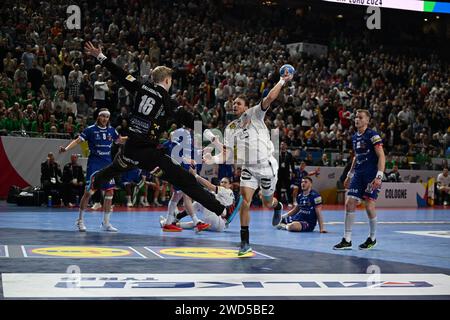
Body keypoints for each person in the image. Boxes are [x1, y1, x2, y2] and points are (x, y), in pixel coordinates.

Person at [83, 42, 240, 223]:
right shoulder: (169, 102)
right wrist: (216, 141)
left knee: (115, 168)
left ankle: (95, 182)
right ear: (167, 81)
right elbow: (193, 122)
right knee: (184, 180)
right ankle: (222, 209)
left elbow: (122, 75)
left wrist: (100, 57)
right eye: (171, 81)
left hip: (130, 150)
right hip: (149, 156)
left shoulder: (141, 88)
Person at [203, 69, 293, 256]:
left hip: (266, 165)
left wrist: (282, 82)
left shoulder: (255, 114)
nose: (234, 105)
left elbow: (268, 99)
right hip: (249, 168)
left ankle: (278, 207)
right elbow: (227, 155)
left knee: (267, 202)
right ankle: (245, 243)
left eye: (238, 103)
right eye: (233, 103)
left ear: (246, 107)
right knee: (245, 201)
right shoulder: (230, 128)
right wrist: (213, 158)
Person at [59, 108, 126, 232]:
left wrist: (136, 139)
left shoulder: (112, 131)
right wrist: (66, 149)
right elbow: (78, 141)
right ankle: (80, 221)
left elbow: (120, 140)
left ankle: (106, 223)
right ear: (98, 117)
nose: (105, 119)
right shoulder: (90, 130)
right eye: (103, 116)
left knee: (110, 192)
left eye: (107, 117)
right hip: (94, 165)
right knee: (89, 192)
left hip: (108, 165)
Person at [333, 109, 385, 250]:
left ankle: (372, 238)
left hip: (371, 175)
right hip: (358, 174)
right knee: (350, 203)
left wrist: (379, 176)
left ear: (367, 121)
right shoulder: (355, 136)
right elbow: (356, 157)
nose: (357, 119)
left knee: (369, 206)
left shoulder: (373, 135)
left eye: (360, 117)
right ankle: (347, 239)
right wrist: (349, 175)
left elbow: (381, 156)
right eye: (356, 117)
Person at [161, 173, 237, 233]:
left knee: (199, 202)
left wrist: (196, 176)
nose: (223, 183)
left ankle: (177, 217)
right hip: (220, 226)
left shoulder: (225, 191)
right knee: (196, 223)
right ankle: (170, 223)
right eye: (222, 182)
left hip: (217, 220)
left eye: (225, 182)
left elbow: (209, 186)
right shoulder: (229, 194)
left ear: (230, 185)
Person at [276, 141, 295, 206]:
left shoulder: (289, 154)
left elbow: (292, 164)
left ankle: (290, 202)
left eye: (284, 144)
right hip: (278, 173)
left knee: (288, 188)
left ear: (286, 146)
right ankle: (278, 202)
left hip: (286, 173)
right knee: (278, 188)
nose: (282, 145)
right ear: (280, 146)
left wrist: (293, 172)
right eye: (281, 144)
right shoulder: (276, 154)